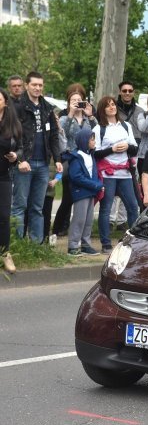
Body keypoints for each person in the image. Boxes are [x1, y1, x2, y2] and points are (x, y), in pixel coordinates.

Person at [11, 71, 63, 243]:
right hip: (24, 163)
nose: (38, 88)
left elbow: (54, 136)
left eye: (40, 85)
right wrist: (20, 159)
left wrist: (58, 160)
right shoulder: (18, 107)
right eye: (34, 85)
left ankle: (36, 245)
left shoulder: (47, 108)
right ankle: (17, 246)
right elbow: (13, 136)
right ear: (27, 85)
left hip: (43, 164)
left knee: (37, 207)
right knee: (19, 206)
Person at [93, 96, 139, 253]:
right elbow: (96, 153)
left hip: (125, 174)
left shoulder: (126, 126)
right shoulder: (98, 129)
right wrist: (111, 149)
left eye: (113, 104)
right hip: (108, 174)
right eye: (108, 105)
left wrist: (127, 146)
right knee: (105, 208)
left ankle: (133, 242)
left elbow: (135, 148)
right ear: (102, 109)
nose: (112, 107)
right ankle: (106, 243)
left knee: (133, 207)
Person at [52, 88, 96, 236]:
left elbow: (96, 132)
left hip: (86, 160)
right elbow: (61, 133)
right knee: (68, 197)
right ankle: (59, 227)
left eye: (79, 100)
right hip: (71, 159)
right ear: (68, 103)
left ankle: (74, 227)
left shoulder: (87, 119)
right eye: (73, 101)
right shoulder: (65, 118)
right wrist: (71, 113)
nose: (77, 103)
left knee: (82, 195)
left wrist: (90, 116)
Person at [66, 128, 103, 256]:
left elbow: (93, 173)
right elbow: (76, 177)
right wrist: (95, 185)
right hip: (81, 192)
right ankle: (73, 246)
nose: (94, 141)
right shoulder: (77, 157)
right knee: (79, 219)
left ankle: (85, 245)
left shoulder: (90, 155)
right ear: (84, 141)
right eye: (91, 139)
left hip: (90, 192)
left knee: (88, 220)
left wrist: (97, 184)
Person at [0, 89, 21, 273]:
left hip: (3, 175)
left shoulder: (12, 123)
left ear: (5, 102)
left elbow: (21, 147)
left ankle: (5, 253)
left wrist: (16, 156)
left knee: (4, 217)